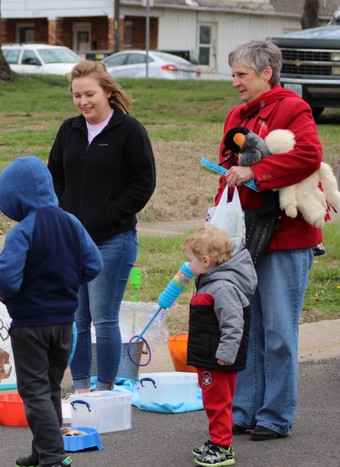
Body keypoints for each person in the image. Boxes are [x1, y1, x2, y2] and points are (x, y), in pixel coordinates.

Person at [218, 40, 324, 441]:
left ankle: (276, 416)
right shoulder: (236, 115)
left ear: (267, 73)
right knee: (246, 326)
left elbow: (308, 156)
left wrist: (255, 173)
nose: (235, 83)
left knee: (279, 330)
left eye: (241, 75)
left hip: (287, 237)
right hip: (243, 236)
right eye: (233, 75)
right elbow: (228, 169)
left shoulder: (293, 108)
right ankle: (244, 410)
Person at [47, 60, 156, 393]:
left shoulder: (130, 131)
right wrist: (63, 219)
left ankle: (105, 391)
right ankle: (81, 391)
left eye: (90, 94)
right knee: (77, 320)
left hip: (113, 240)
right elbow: (55, 179)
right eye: (77, 96)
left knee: (103, 318)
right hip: (72, 243)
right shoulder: (69, 130)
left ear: (108, 91)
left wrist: (106, 216)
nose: (83, 102)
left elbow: (143, 183)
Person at [0, 156, 102, 467]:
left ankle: (53, 456)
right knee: (51, 387)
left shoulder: (23, 231)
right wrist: (65, 283)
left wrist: (8, 295)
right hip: (65, 323)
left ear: (15, 198)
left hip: (30, 325)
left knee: (34, 391)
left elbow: (6, 277)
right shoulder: (71, 222)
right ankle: (42, 451)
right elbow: (94, 264)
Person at [184, 225, 257, 467]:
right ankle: (216, 441)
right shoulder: (211, 282)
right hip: (209, 355)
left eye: (191, 260)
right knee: (213, 400)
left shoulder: (222, 287)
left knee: (218, 402)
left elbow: (233, 324)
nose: (188, 265)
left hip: (218, 358)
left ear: (205, 261)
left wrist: (225, 354)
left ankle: (223, 447)